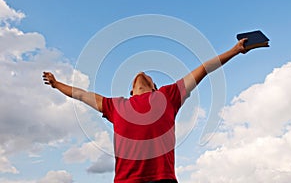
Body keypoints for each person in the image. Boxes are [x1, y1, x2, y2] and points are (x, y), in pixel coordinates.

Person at [43, 38, 248, 183]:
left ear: (155, 87)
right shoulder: (115, 106)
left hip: (162, 179)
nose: (141, 73)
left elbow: (203, 68)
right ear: (131, 91)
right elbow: (80, 94)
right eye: (137, 77)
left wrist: (235, 50)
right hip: (126, 181)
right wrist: (56, 83)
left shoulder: (168, 96)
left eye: (150, 77)